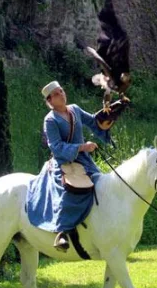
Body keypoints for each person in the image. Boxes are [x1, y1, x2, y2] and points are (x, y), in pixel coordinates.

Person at [26, 80, 114, 251]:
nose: (62, 94)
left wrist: (109, 115)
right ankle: (62, 232)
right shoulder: (50, 120)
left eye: (62, 90)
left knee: (100, 184)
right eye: (57, 93)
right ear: (50, 101)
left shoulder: (75, 109)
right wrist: (82, 147)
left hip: (84, 161)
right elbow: (56, 147)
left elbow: (95, 123)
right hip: (63, 163)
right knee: (70, 191)